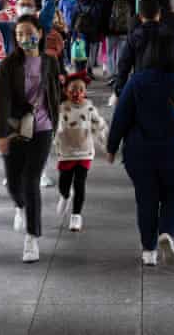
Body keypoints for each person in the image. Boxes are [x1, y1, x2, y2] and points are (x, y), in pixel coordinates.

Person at [107, 32, 174, 266]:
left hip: (141, 153)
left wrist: (111, 147)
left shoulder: (136, 81)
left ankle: (148, 251)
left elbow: (121, 117)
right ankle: (167, 232)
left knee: (146, 199)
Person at [0, 15, 61, 263]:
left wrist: (58, 123)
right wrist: (0, 134)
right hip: (14, 128)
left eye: (28, 32)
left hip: (42, 128)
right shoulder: (9, 64)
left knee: (31, 180)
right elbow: (1, 100)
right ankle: (19, 206)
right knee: (13, 182)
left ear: (40, 34)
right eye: (19, 34)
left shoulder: (50, 62)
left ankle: (32, 237)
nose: (24, 38)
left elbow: (55, 92)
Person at [0, 0, 56, 158]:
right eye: (22, 4)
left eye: (30, 4)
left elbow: (49, 10)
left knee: (31, 115)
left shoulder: (40, 27)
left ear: (36, 9)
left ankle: (32, 158)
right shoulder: (8, 28)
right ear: (15, 7)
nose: (25, 7)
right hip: (4, 76)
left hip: (33, 77)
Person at [54, 71, 108, 232]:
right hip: (65, 153)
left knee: (80, 184)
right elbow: (55, 128)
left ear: (85, 92)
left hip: (85, 153)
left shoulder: (89, 108)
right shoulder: (61, 108)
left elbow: (99, 126)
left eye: (80, 90)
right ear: (66, 91)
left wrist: (106, 145)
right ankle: (65, 195)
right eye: (72, 90)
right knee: (64, 183)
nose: (77, 93)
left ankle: (76, 215)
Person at [114, 0, 174, 97]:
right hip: (168, 87)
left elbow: (124, 63)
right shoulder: (172, 34)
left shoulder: (135, 36)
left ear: (140, 16)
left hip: (142, 85)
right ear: (159, 14)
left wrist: (119, 88)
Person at [101, 0, 132, 83]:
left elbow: (104, 16)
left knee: (109, 53)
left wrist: (104, 30)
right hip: (124, 30)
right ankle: (119, 74)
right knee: (120, 53)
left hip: (111, 31)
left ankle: (111, 75)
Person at [72, 0, 102, 78]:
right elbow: (98, 20)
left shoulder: (77, 5)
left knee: (78, 52)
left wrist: (73, 33)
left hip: (79, 33)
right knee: (88, 53)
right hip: (91, 33)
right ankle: (88, 70)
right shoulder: (95, 6)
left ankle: (79, 72)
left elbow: (73, 20)